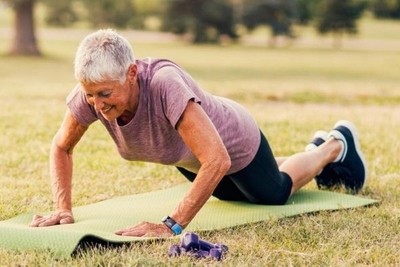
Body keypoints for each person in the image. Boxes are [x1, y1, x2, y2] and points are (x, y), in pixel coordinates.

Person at [29, 29, 367, 237]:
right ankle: (313, 150)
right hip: (193, 155)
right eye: (90, 94)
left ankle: (333, 146)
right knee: (234, 197)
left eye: (105, 94)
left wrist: (171, 225)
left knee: (272, 193)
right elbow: (62, 147)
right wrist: (63, 207)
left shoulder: (164, 84)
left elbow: (217, 159)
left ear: (131, 73)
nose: (97, 104)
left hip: (234, 142)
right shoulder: (89, 95)